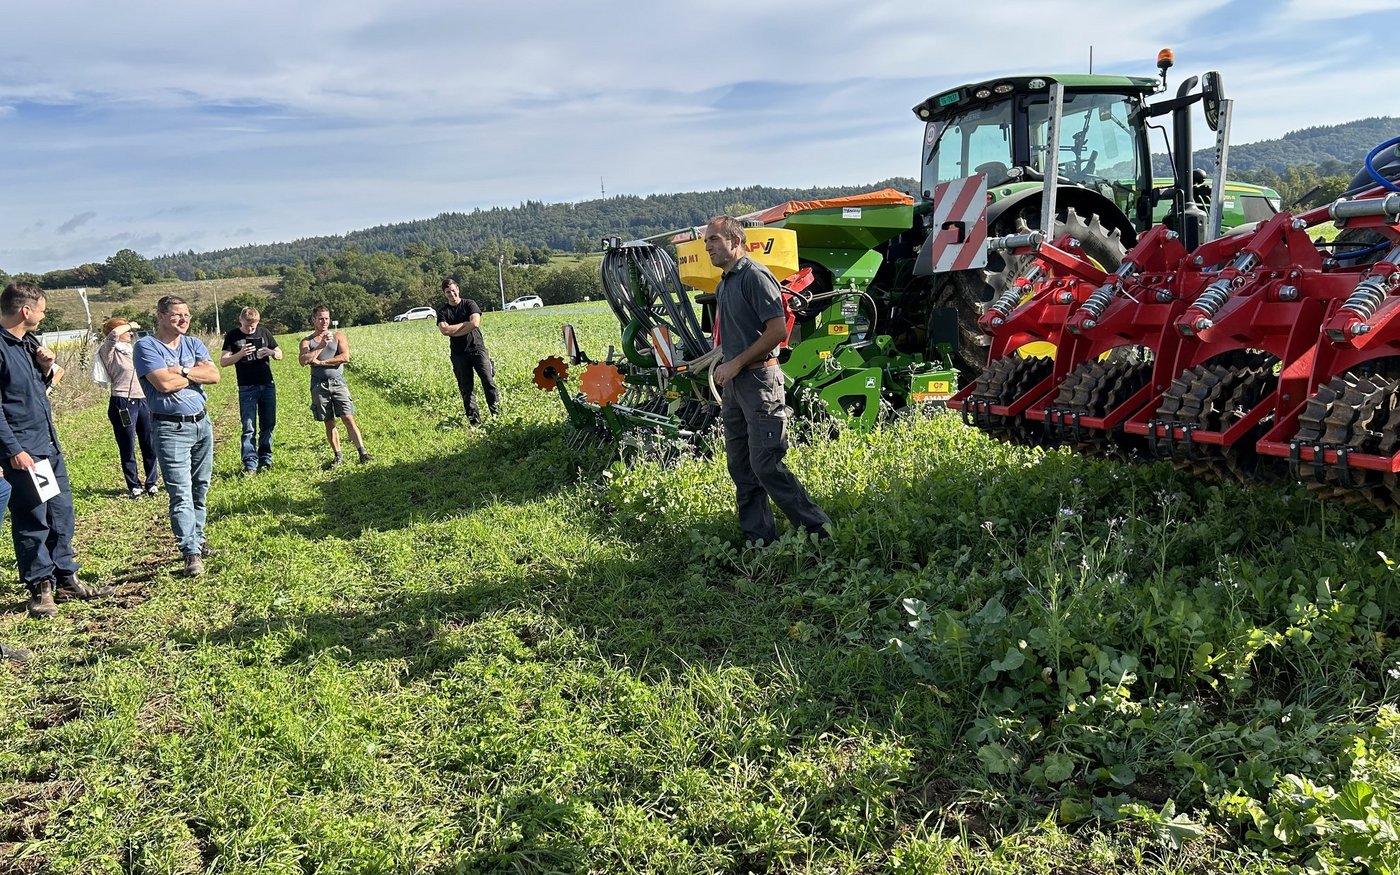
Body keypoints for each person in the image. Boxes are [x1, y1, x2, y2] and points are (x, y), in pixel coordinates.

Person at [704, 216, 832, 545]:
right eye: (706, 241)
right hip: (735, 385)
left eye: (714, 240)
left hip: (759, 380)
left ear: (735, 241)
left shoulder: (755, 277)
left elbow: (777, 331)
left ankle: (820, 531)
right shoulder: (724, 284)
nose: (708, 247)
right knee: (741, 466)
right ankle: (759, 540)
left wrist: (735, 364)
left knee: (766, 465)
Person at [0, 282, 112, 617]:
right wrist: (13, 449)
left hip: (47, 443)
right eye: (42, 310)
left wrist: (46, 368)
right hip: (25, 450)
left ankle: (66, 578)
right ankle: (40, 587)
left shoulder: (29, 343)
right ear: (26, 310)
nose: (44, 316)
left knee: (60, 512)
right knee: (34, 517)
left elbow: (35, 390)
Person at [134, 295, 221, 578]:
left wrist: (182, 371)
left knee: (200, 487)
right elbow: (163, 383)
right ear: (160, 316)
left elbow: (214, 375)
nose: (184, 320)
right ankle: (190, 552)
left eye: (187, 315)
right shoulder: (146, 347)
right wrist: (195, 374)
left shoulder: (193, 343)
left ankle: (199, 539)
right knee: (181, 492)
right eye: (176, 315)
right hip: (171, 429)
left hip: (201, 423)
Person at [298, 305, 372, 467]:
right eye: (320, 319)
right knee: (329, 421)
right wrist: (321, 346)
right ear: (313, 320)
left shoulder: (338, 336)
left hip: (338, 382)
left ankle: (362, 452)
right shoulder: (307, 341)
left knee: (348, 417)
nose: (324, 322)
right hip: (319, 384)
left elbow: (345, 357)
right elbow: (303, 360)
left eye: (326, 318)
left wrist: (322, 362)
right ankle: (338, 456)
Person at [96, 317, 160, 498]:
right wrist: (130, 324)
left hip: (143, 400)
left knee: (149, 443)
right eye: (127, 331)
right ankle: (134, 484)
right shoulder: (109, 350)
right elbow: (112, 335)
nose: (131, 333)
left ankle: (152, 482)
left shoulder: (134, 351)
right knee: (127, 444)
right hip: (123, 401)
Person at [219, 306, 282, 475]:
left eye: (253, 326)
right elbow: (223, 361)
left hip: (267, 384)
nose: (251, 329)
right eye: (247, 326)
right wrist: (240, 353)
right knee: (248, 426)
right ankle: (250, 464)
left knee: (268, 424)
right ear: (240, 320)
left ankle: (265, 460)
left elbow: (279, 354)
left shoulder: (264, 332)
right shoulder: (233, 335)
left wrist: (270, 352)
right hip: (246, 386)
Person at [437, 278, 499, 425]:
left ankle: (497, 416)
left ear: (458, 289)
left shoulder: (470, 304)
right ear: (444, 294)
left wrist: (454, 330)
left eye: (453, 290)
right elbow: (444, 330)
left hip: (477, 349)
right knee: (466, 389)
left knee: (488, 383)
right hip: (459, 354)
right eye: (448, 292)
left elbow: (475, 323)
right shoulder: (443, 311)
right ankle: (475, 423)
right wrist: (465, 325)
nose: (452, 294)